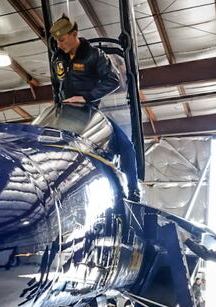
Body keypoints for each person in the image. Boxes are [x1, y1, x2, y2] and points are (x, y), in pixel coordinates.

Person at [48, 14, 139, 200]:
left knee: (127, 147)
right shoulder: (58, 57)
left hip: (87, 113)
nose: (59, 45)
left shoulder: (94, 55)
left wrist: (85, 97)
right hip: (64, 114)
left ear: (75, 34)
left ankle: (133, 189)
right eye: (57, 41)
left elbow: (113, 80)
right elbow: (57, 84)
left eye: (62, 40)